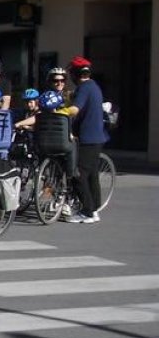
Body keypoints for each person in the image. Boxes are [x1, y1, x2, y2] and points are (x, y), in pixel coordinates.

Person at [65, 55, 109, 224]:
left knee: (78, 174)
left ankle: (87, 212)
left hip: (88, 138)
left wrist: (59, 112)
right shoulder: (94, 86)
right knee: (91, 175)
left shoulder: (84, 88)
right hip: (97, 137)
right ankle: (94, 209)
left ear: (76, 74)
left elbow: (75, 110)